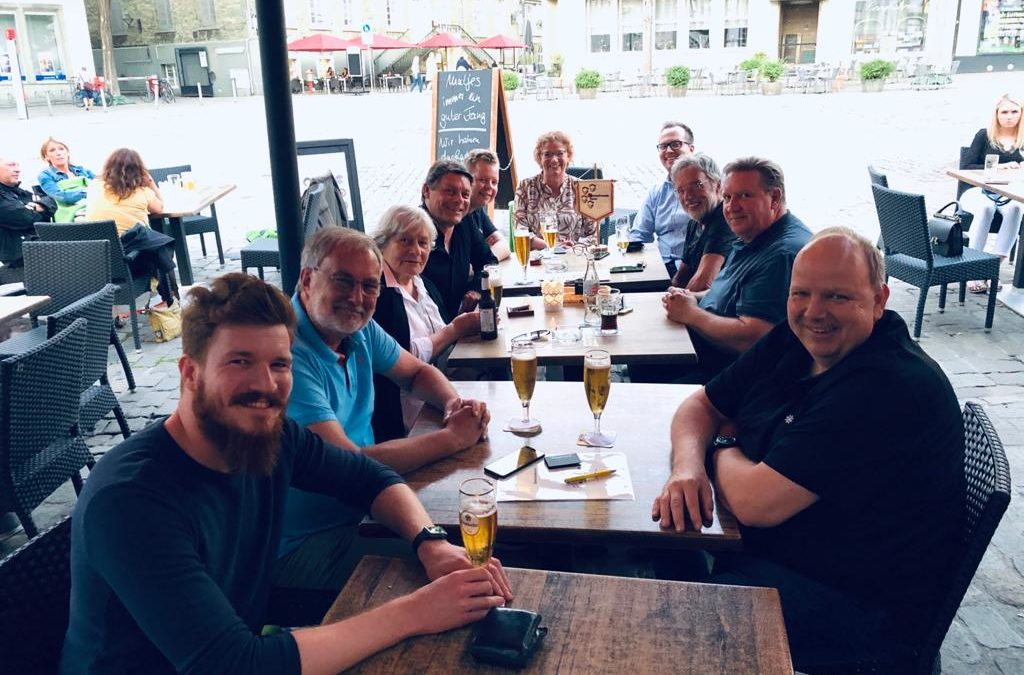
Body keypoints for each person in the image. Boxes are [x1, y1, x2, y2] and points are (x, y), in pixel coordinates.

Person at [61, 272, 512, 675]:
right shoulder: (131, 501)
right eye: (240, 361)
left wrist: (431, 542)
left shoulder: (272, 436)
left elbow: (369, 478)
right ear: (190, 373)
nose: (265, 384)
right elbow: (234, 664)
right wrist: (415, 612)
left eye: (279, 364)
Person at [652, 228, 964, 672]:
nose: (814, 311)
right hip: (797, 556)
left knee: (666, 613)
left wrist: (723, 441)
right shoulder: (797, 339)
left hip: (857, 608)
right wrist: (686, 468)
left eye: (838, 296)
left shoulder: (885, 386)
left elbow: (754, 503)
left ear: (879, 300)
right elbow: (700, 405)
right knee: (667, 547)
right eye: (801, 293)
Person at [277, 227, 491, 601]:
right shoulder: (285, 356)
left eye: (369, 286)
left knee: (477, 541)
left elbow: (416, 373)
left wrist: (452, 403)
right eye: (343, 281)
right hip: (303, 543)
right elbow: (350, 465)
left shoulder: (356, 330)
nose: (357, 297)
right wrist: (452, 438)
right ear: (307, 280)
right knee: (465, 571)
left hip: (367, 508)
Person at [661, 157, 811, 381]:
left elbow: (753, 337)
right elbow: (727, 293)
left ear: (775, 198)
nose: (732, 207)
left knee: (642, 374)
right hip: (706, 352)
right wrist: (692, 298)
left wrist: (691, 313)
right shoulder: (753, 235)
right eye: (728, 197)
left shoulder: (781, 254)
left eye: (744, 195)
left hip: (736, 376)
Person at [371, 206, 482, 440]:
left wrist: (465, 319)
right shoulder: (377, 294)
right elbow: (403, 358)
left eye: (423, 243)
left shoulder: (421, 282)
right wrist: (455, 329)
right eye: (405, 240)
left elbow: (439, 332)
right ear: (382, 243)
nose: (416, 250)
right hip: (406, 419)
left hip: (438, 396)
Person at [85, 148, 177, 307]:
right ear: (138, 170)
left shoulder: (94, 187)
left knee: (157, 247)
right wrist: (151, 183)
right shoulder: (142, 191)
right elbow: (159, 207)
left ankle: (166, 297)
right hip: (129, 262)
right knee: (161, 248)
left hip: (98, 260)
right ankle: (169, 299)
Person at [961, 93, 1024, 293]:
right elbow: (966, 166)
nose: (1009, 116)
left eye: (1014, 111)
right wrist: (1000, 167)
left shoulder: (1022, 140)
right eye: (1004, 112)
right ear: (996, 114)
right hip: (978, 191)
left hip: (1009, 194)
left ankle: (992, 269)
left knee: (1016, 209)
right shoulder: (985, 135)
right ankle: (972, 269)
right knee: (986, 209)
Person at [420, 160, 497, 318]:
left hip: (461, 325)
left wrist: (476, 290)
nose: (459, 200)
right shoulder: (413, 232)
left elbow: (489, 262)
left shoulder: (465, 223)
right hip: (429, 328)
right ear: (426, 191)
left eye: (465, 194)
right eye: (450, 191)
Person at [628, 122, 695, 275]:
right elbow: (639, 234)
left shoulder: (706, 189)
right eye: (663, 146)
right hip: (660, 267)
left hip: (694, 269)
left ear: (691, 149)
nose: (669, 151)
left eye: (676, 144)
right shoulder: (656, 191)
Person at [514, 130, 596, 248]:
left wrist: (574, 247)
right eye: (547, 154)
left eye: (560, 153)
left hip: (574, 255)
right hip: (539, 257)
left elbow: (593, 235)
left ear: (568, 156)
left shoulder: (582, 188)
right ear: (539, 158)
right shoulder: (525, 187)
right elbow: (520, 230)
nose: (554, 160)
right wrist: (553, 247)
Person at [669, 153, 737, 292]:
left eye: (696, 186)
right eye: (681, 190)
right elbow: (681, 277)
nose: (688, 196)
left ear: (718, 186)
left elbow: (704, 282)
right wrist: (667, 294)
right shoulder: (695, 222)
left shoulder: (725, 219)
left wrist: (674, 298)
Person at [0, 156, 55, 279]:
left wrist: (35, 207)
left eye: (17, 165)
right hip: (19, 260)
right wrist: (41, 210)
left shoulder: (17, 191)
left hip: (39, 249)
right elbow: (25, 218)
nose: (17, 169)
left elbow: (51, 202)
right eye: (11, 165)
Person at [464, 148, 511, 261]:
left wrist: (486, 258)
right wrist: (486, 257)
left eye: (494, 182)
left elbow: (504, 246)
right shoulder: (456, 214)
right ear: (466, 179)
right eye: (483, 180)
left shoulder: (477, 210)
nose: (489, 186)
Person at [37, 137, 95, 212]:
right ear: (46, 157)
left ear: (67, 153)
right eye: (52, 150)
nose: (58, 153)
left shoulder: (82, 170)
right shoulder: (45, 175)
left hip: (92, 207)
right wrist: (86, 192)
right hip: (70, 213)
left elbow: (100, 186)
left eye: (61, 149)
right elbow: (62, 197)